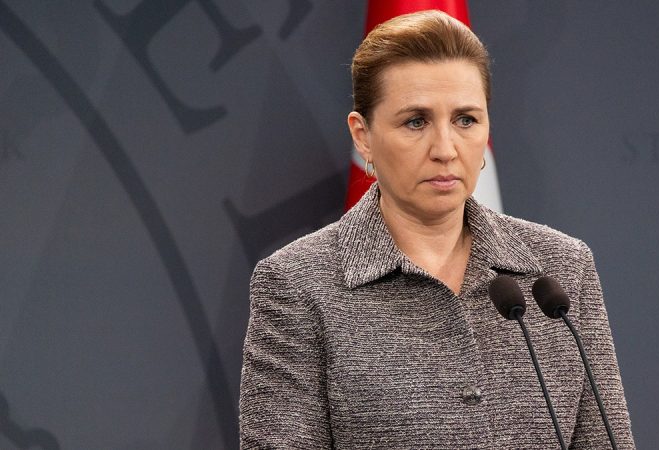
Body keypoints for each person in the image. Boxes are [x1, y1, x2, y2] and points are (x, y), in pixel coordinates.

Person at [239, 10, 635, 449]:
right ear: (363, 136)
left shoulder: (562, 268)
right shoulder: (297, 284)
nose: (446, 149)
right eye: (416, 121)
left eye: (466, 120)